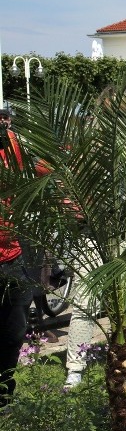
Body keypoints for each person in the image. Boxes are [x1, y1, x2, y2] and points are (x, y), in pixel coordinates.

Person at [0, 108, 36, 406]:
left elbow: (39, 172)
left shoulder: (10, 144)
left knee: (14, 331)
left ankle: (3, 391)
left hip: (11, 255)